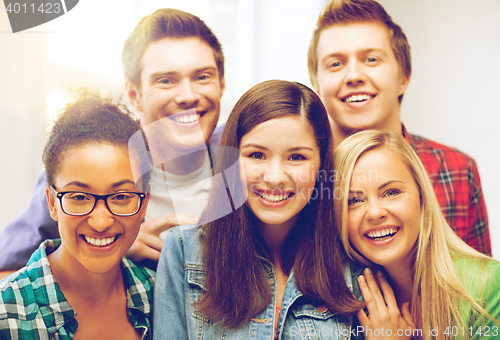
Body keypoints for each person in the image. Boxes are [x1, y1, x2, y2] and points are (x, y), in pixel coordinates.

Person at [0, 8, 226, 276]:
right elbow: (7, 278)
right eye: (166, 80)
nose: (188, 95)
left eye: (202, 77)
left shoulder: (248, 157)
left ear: (221, 84)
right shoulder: (82, 170)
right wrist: (111, 248)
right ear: (134, 94)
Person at [153, 80, 364, 339]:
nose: (275, 177)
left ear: (322, 164)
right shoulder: (183, 251)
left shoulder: (352, 260)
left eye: (296, 157)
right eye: (256, 155)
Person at [307, 0, 491, 255]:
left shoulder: (458, 171)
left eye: (371, 59)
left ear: (403, 77)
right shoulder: (302, 175)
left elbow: (484, 288)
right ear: (317, 85)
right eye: (335, 64)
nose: (353, 76)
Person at [0, 89, 154, 339]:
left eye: (121, 196)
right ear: (52, 202)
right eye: (80, 197)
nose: (101, 221)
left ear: (144, 202)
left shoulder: (162, 297)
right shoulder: (6, 313)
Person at [334, 130, 500, 340]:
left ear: (422, 195)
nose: (375, 213)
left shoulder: (489, 286)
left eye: (391, 192)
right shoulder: (343, 303)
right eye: (354, 201)